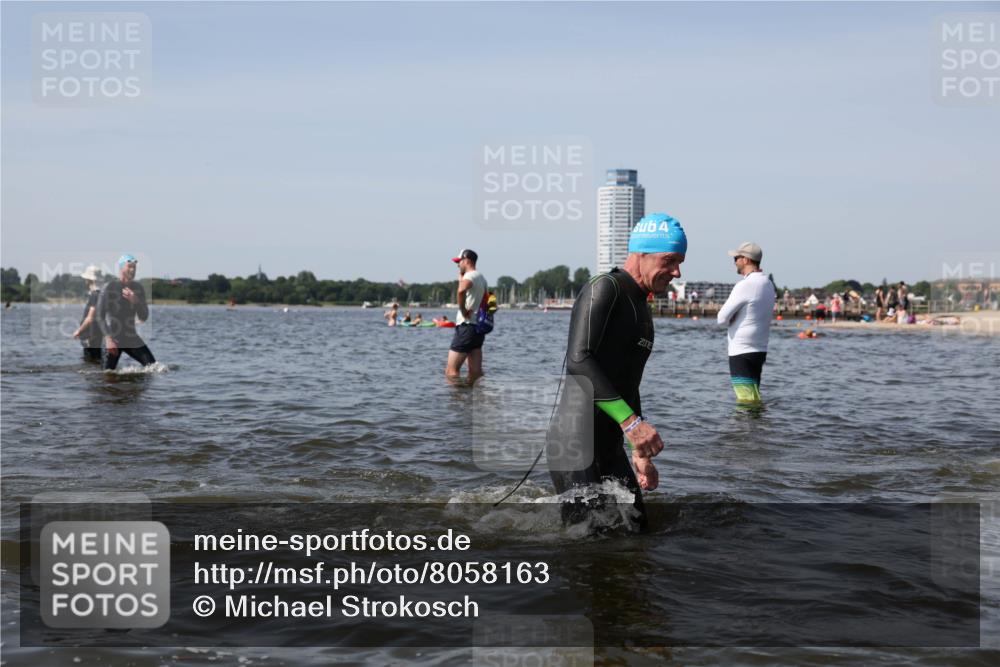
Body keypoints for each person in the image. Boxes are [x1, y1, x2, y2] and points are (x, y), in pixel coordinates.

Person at [547, 213, 685, 531]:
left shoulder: (641, 306)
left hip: (610, 444)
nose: (677, 272)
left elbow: (628, 383)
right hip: (574, 443)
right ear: (641, 253)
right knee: (589, 544)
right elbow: (579, 360)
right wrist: (632, 423)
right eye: (669, 260)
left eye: (680, 262)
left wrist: (639, 451)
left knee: (638, 532)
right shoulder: (605, 288)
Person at [717, 242, 776, 404]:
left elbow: (721, 319)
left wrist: (733, 318)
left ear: (746, 260)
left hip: (741, 350)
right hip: (759, 349)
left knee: (746, 400)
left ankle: (749, 422)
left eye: (736, 258)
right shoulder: (768, 283)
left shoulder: (745, 285)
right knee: (754, 397)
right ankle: (760, 421)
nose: (734, 262)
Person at [97, 254, 156, 370]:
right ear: (121, 267)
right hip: (113, 338)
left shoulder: (138, 288)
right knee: (107, 375)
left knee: (153, 367)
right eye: (129, 266)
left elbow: (144, 316)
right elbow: (99, 316)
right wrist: (108, 339)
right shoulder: (109, 286)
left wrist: (136, 301)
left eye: (134, 267)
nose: (133, 270)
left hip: (131, 337)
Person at [445, 249, 487, 381]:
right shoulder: (481, 278)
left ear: (466, 260)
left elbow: (461, 290)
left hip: (466, 326)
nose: (458, 265)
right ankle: (474, 394)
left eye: (459, 262)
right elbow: (487, 302)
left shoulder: (470, 276)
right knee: (475, 372)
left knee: (451, 371)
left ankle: (456, 395)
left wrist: (463, 310)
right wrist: (461, 278)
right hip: (477, 329)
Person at [71, 264, 104, 362]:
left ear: (89, 280)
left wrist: (79, 331)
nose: (85, 281)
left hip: (90, 335)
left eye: (86, 279)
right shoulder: (100, 294)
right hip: (97, 334)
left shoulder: (95, 295)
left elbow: (90, 318)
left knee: (90, 362)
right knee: (96, 361)